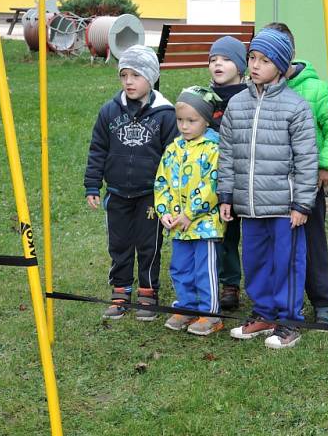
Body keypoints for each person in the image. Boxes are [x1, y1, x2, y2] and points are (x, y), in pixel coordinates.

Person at [218, 27, 318, 349]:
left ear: (281, 65)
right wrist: (226, 195)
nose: (255, 65)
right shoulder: (237, 105)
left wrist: (302, 204)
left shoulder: (296, 107)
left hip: (284, 207)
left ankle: (288, 320)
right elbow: (227, 153)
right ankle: (263, 314)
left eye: (264, 60)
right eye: (252, 58)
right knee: (256, 261)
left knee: (286, 262)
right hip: (250, 205)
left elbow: (306, 159)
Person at [84, 45, 178, 320]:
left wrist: (170, 195)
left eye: (136, 75)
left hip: (150, 195)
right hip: (117, 192)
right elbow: (97, 149)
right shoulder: (109, 111)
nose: (128, 81)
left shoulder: (166, 114)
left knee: (149, 246)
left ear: (151, 77)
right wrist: (93, 184)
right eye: (124, 75)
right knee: (120, 243)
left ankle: (148, 293)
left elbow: (172, 157)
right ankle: (121, 291)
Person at [265, 21, 328, 325]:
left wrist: (326, 165)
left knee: (312, 242)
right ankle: (280, 299)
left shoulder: (315, 89)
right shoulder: (262, 90)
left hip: (306, 183)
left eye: (270, 57)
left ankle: (322, 301)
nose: (262, 64)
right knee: (276, 243)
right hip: (273, 183)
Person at [155, 86, 226, 336]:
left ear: (206, 121)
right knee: (180, 267)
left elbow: (212, 186)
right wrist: (164, 210)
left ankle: (210, 313)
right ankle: (186, 306)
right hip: (178, 225)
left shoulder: (213, 148)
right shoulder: (173, 149)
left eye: (191, 121)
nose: (184, 126)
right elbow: (161, 181)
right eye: (180, 120)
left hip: (203, 225)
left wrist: (190, 213)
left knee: (203, 269)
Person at [207, 35, 249, 310]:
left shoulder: (248, 97)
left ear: (241, 67)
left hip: (245, 176)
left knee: (252, 234)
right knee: (224, 233)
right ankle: (228, 283)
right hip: (214, 179)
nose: (218, 64)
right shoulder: (205, 99)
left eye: (226, 59)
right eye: (213, 60)